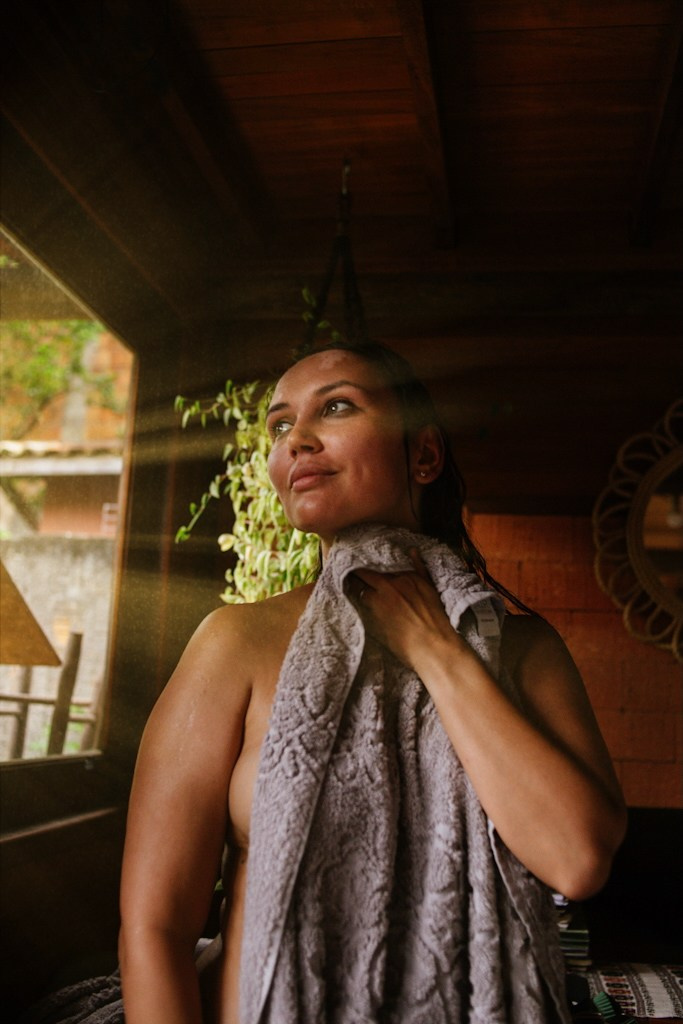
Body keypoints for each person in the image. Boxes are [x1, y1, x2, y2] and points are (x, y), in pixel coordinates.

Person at [29, 342, 626, 1024]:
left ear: (423, 456)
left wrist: (436, 649)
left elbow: (576, 859)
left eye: (336, 406)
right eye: (280, 426)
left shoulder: (523, 651)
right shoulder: (235, 643)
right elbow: (155, 927)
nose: (296, 441)